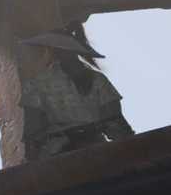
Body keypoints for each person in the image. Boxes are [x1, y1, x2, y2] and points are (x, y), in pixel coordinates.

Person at [17, 22, 135, 161]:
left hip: (59, 155)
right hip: (90, 151)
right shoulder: (98, 79)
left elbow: (32, 135)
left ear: (51, 50)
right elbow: (116, 125)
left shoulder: (36, 85)